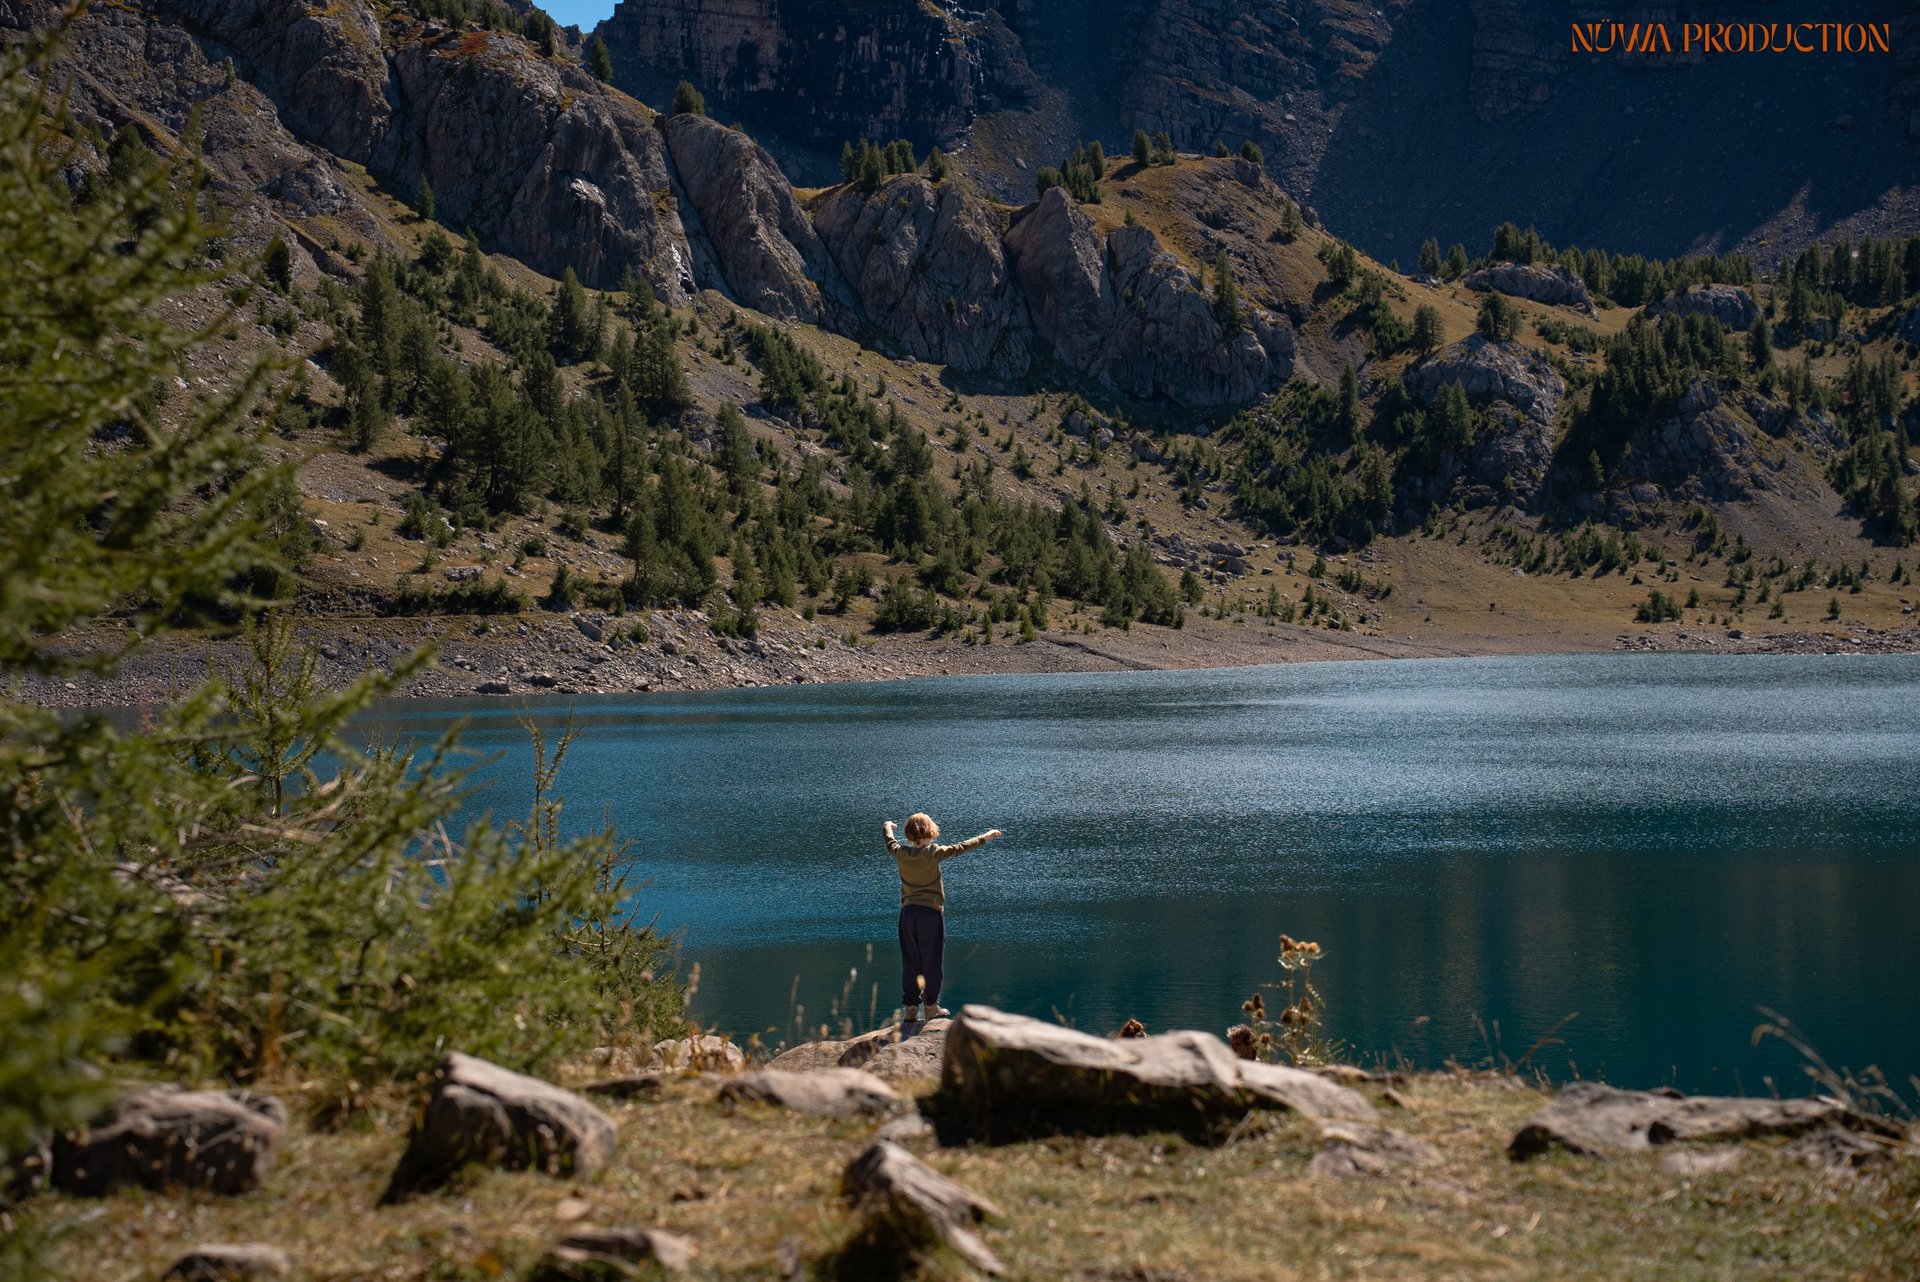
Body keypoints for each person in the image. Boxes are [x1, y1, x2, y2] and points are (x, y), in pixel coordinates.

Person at [883, 811, 1001, 1023]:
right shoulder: (933, 852)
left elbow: (889, 841)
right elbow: (960, 848)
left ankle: (910, 1009)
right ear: (929, 832)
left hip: (908, 914)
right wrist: (986, 837)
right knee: (932, 962)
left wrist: (887, 826)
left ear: (909, 834)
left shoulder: (901, 852)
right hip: (930, 914)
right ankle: (931, 1007)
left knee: (911, 961)